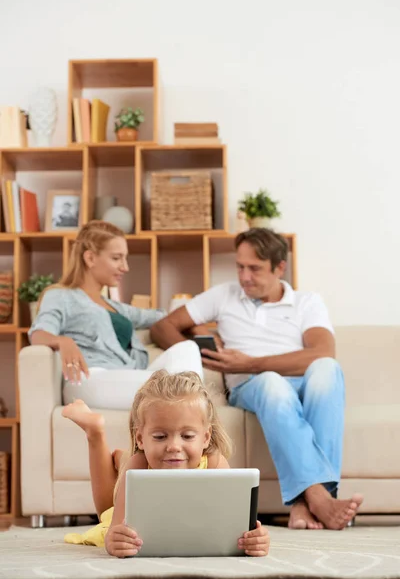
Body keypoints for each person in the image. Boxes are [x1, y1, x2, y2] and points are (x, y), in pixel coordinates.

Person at [150, 228, 364, 531]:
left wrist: (253, 362)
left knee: (327, 369)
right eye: (240, 266)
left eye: (255, 268)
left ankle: (306, 505)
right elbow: (162, 327)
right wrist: (198, 345)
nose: (245, 276)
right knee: (271, 382)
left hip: (297, 384)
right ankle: (322, 497)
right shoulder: (224, 295)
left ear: (280, 268)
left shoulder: (307, 302)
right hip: (253, 387)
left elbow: (323, 351)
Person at [63, 370, 270, 558]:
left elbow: (237, 525)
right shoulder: (139, 464)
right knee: (106, 512)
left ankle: (119, 458)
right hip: (132, 477)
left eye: (187, 436)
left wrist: (256, 537)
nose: (174, 446)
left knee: (126, 464)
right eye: (161, 436)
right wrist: (114, 540)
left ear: (206, 437)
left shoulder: (215, 462)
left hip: (146, 463)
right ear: (141, 439)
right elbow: (113, 531)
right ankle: (95, 433)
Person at [29, 220, 203, 410]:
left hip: (126, 375)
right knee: (176, 390)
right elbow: (38, 335)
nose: (125, 267)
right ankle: (192, 413)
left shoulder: (116, 307)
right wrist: (62, 341)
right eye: (116, 258)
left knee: (187, 349)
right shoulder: (61, 296)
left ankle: (188, 413)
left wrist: (195, 325)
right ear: (90, 258)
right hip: (90, 379)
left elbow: (160, 316)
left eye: (125, 258)